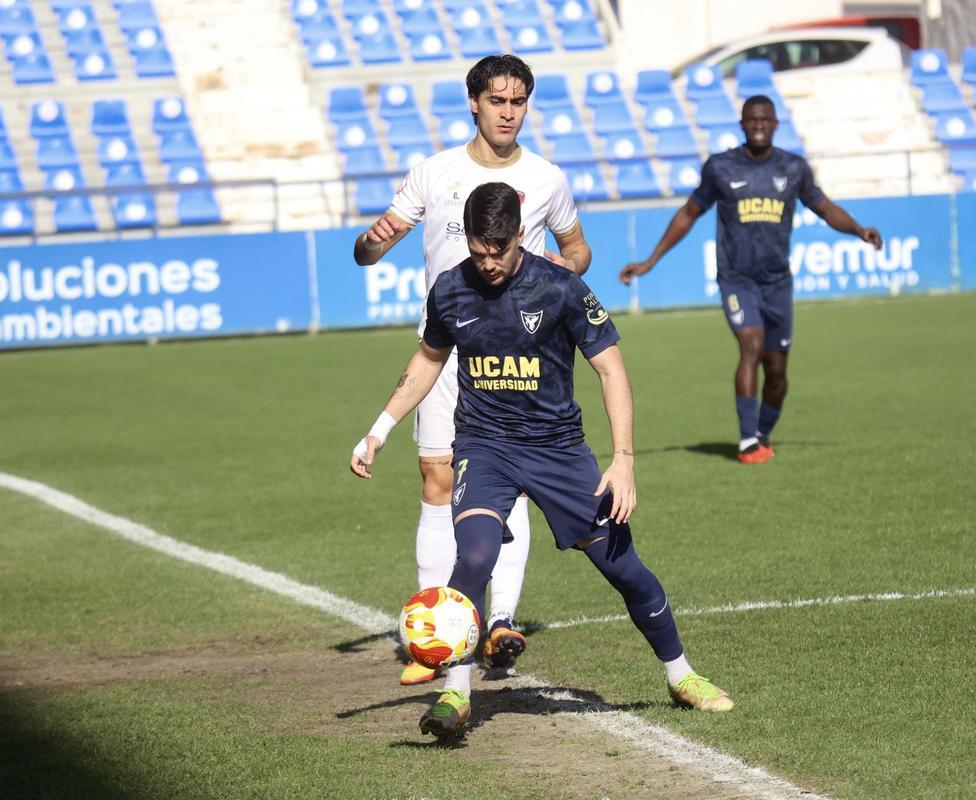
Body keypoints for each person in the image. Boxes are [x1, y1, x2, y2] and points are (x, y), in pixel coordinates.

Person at [350, 182, 732, 738]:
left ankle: (681, 675)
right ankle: (455, 697)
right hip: (484, 448)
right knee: (474, 556)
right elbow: (428, 360)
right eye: (478, 252)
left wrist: (623, 461)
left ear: (520, 235)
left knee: (623, 569)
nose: (488, 264)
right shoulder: (450, 289)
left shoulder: (561, 288)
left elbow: (612, 370)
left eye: (497, 252)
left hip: (557, 450)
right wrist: (378, 430)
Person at [354, 54, 593, 686]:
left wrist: (558, 279)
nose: (509, 112)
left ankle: (500, 620)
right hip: (447, 348)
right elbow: (371, 248)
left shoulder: (546, 178)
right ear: (473, 102)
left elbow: (577, 248)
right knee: (439, 480)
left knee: (504, 476)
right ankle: (435, 635)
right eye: (498, 101)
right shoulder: (433, 173)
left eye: (519, 102)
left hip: (519, 357)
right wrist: (373, 240)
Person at [619, 95, 882, 463]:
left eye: (765, 120)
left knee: (777, 371)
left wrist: (858, 230)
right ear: (742, 125)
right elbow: (688, 214)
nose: (759, 125)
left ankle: (761, 433)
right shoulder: (721, 168)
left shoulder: (794, 168)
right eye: (752, 120)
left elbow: (824, 208)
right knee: (751, 345)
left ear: (775, 124)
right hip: (736, 280)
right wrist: (650, 261)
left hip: (777, 283)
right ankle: (746, 443)